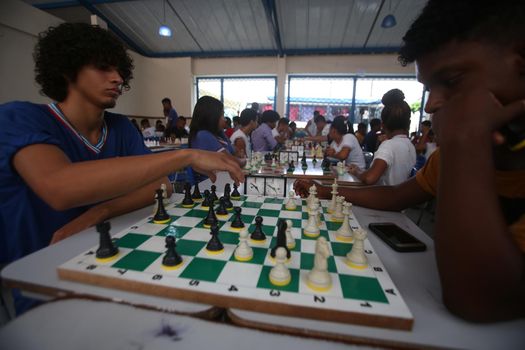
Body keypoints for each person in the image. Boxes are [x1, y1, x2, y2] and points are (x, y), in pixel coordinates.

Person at [297, 0, 525, 322]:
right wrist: (326, 192)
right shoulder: (446, 160)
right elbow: (396, 195)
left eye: (453, 79)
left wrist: (464, 143)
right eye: (429, 88)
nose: (431, 104)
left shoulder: (459, 152)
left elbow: (477, 299)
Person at [0, 23, 243, 314]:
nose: (117, 78)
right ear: (67, 69)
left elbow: (162, 186)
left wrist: (99, 212)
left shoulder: (120, 127)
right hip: (48, 285)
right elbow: (59, 187)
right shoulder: (19, 117)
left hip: (120, 267)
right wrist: (185, 156)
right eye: (103, 68)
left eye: (119, 70)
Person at [348, 89, 416, 186]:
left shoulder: (389, 145)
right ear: (408, 124)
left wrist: (357, 172)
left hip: (384, 198)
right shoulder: (410, 145)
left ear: (383, 126)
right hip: (401, 198)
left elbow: (370, 178)